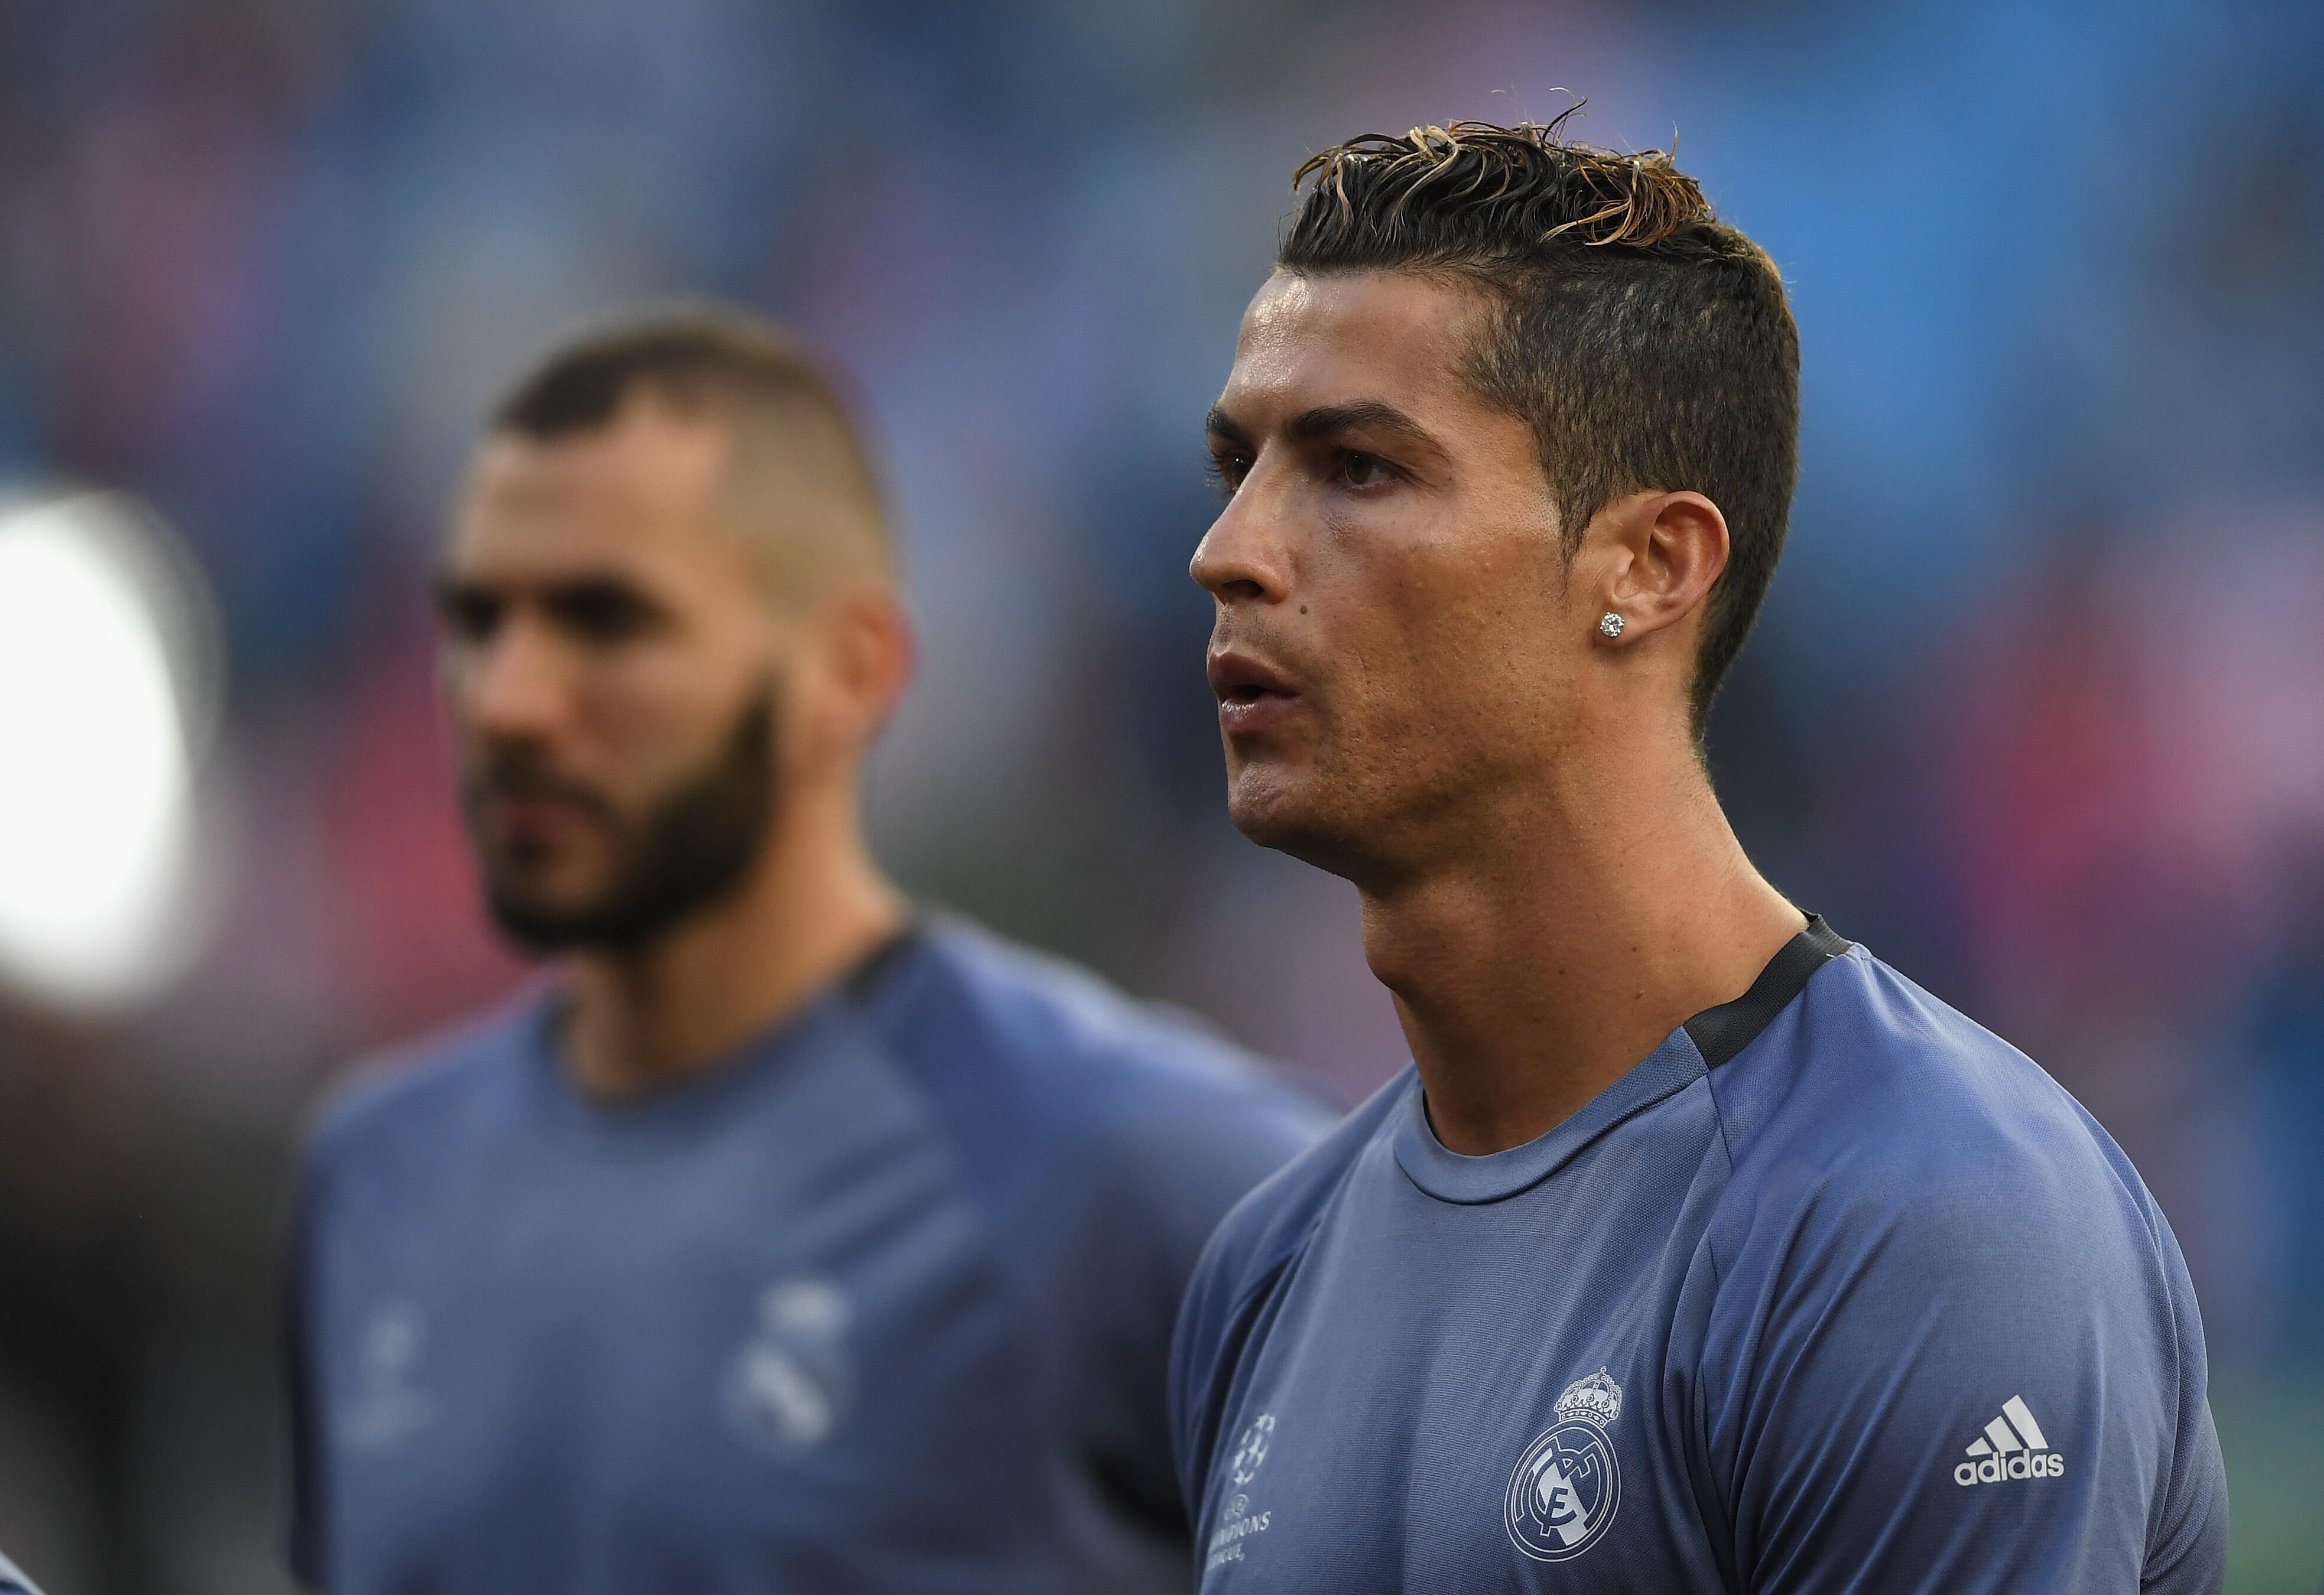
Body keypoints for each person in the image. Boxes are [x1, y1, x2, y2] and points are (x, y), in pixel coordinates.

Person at [1171, 118, 2227, 1593]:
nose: (1229, 547)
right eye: (1239, 464)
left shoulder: (1914, 1225)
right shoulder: (1265, 1270)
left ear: (1648, 567)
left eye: (1354, 468)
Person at [285, 304, 1325, 1594]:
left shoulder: (1142, 1173)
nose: (507, 701)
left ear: (848, 669)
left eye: (607, 621)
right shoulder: (376, 1180)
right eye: (477, 621)